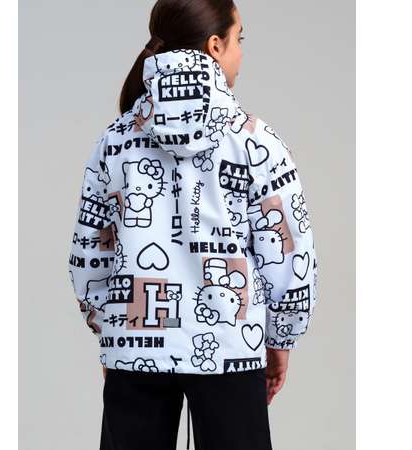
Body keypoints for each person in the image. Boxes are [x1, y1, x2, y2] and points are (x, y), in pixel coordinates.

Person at [67, 1, 318, 449]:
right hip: (231, 346)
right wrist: (282, 336)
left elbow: (89, 252)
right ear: (215, 45)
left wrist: (111, 330)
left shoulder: (115, 141)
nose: (241, 52)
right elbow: (287, 251)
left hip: (135, 346)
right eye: (239, 39)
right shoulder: (257, 143)